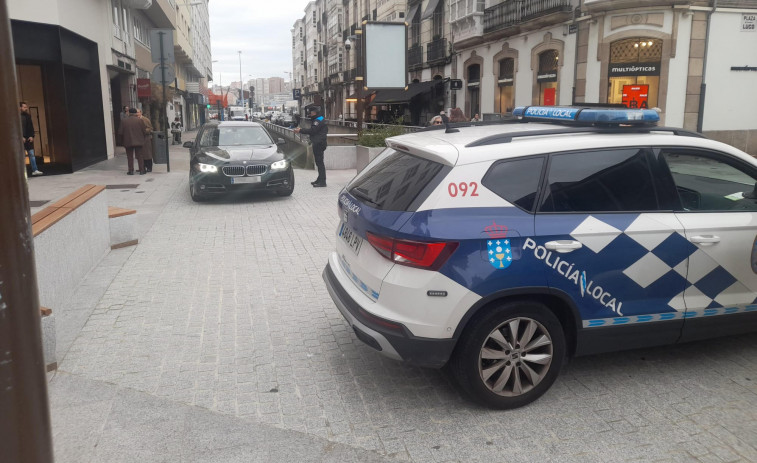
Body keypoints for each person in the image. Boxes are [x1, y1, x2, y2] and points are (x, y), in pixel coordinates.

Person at [294, 106, 328, 187]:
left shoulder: (318, 120)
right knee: (319, 162)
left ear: (315, 113)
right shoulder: (319, 119)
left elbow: (313, 131)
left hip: (319, 143)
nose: (310, 114)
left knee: (320, 163)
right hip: (319, 142)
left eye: (311, 113)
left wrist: (300, 130)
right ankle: (320, 179)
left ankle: (322, 182)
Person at [118, 108, 147, 175]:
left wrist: (121, 142)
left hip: (128, 141)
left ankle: (131, 171)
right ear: (136, 113)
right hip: (139, 141)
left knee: (130, 157)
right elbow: (144, 131)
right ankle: (142, 170)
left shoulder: (123, 121)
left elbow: (120, 132)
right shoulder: (140, 120)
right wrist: (143, 139)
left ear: (128, 113)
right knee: (140, 156)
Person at [19, 102, 43, 176]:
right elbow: (15, 128)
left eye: (26, 107)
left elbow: (31, 127)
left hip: (28, 138)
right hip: (20, 139)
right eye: (24, 107)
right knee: (22, 156)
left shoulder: (28, 116)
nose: (26, 108)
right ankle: (22, 172)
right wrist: (20, 137)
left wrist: (32, 136)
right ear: (20, 108)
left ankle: (35, 170)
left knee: (31, 154)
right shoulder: (16, 117)